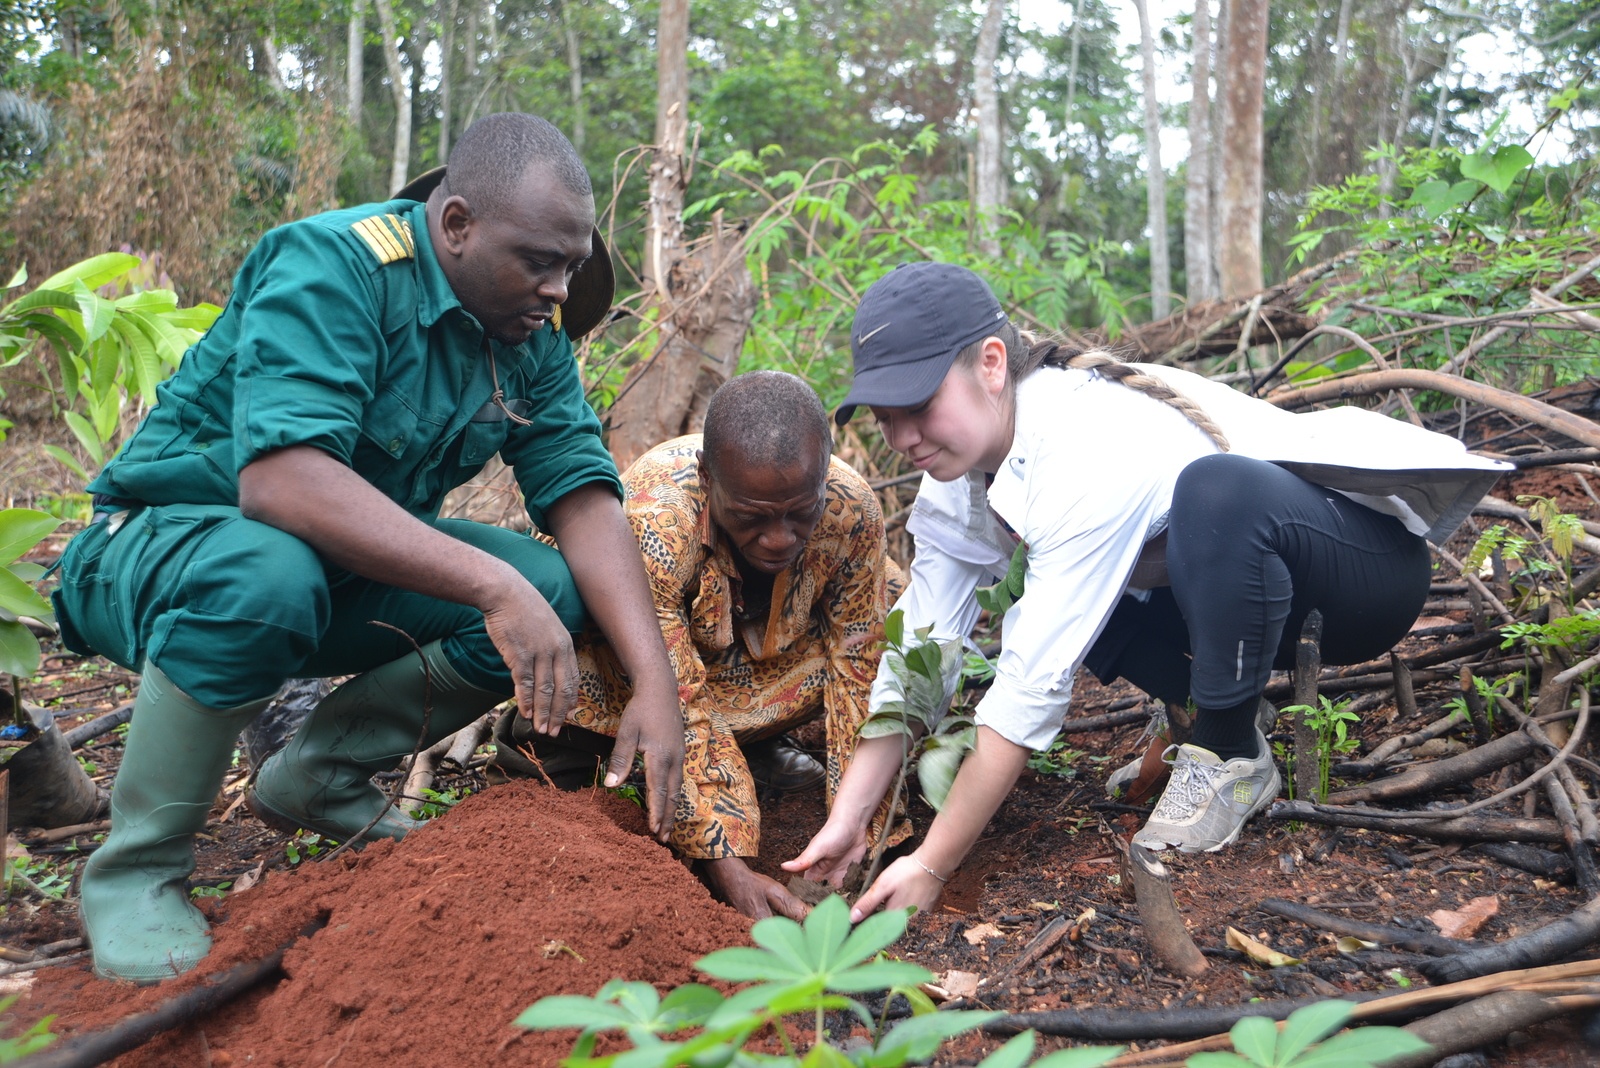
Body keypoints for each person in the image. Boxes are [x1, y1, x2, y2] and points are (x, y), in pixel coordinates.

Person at [51, 113, 685, 983]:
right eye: (540, 262)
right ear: (455, 224)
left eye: (571, 267)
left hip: (319, 576)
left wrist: (655, 680)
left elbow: (579, 490)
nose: (558, 291)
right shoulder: (333, 265)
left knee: (557, 587)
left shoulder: (524, 333)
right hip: (157, 556)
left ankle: (319, 775)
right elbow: (282, 485)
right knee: (278, 571)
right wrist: (494, 588)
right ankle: (138, 872)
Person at [782, 261, 1509, 920]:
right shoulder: (959, 479)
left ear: (992, 365)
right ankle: (1205, 713)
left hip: (1362, 576)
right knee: (1063, 584)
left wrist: (932, 865)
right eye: (884, 415)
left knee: (1213, 494)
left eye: (918, 403)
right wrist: (851, 812)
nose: (902, 434)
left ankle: (1228, 757)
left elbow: (1030, 686)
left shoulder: (1082, 439)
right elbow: (925, 647)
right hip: (1255, 592)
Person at [494, 371, 904, 919]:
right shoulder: (658, 524)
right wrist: (727, 867)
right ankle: (555, 746)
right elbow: (675, 694)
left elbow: (861, 669)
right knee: (608, 651)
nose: (780, 538)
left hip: (737, 666)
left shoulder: (850, 510)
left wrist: (860, 830)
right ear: (709, 478)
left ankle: (751, 748)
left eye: (800, 512)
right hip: (640, 668)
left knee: (895, 602)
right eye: (754, 517)